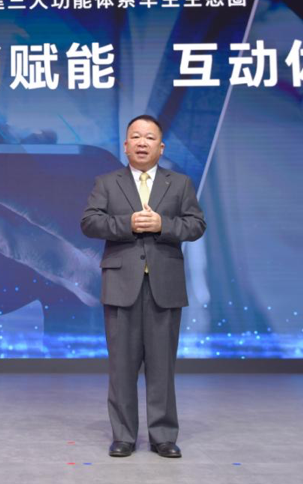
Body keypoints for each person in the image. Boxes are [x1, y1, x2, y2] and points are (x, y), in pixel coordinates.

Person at [80, 115, 206, 458]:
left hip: (164, 285)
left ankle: (163, 436)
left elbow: (196, 225)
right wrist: (129, 223)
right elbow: (89, 222)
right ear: (125, 145)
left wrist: (163, 224)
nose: (142, 142)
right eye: (135, 136)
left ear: (161, 147)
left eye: (149, 137)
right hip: (122, 284)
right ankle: (123, 436)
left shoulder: (180, 184)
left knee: (162, 367)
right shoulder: (107, 182)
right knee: (122, 367)